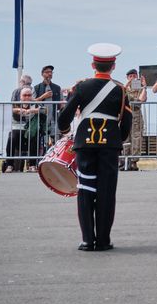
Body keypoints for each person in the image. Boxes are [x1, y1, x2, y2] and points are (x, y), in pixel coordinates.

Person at [57, 43, 132, 252]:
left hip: (84, 144)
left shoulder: (81, 87)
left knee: (86, 189)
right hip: (109, 145)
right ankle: (104, 240)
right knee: (107, 191)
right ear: (113, 66)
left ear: (93, 65)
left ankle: (87, 240)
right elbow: (126, 121)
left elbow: (65, 116)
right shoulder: (120, 89)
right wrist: (120, 138)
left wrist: (65, 130)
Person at [5, 87, 42, 172]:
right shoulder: (16, 103)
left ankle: (32, 165)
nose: (27, 97)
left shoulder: (35, 104)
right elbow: (13, 109)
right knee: (11, 138)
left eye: (29, 95)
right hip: (17, 130)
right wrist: (20, 109)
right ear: (20, 96)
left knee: (35, 136)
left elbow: (44, 110)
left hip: (30, 130)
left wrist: (31, 110)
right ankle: (9, 165)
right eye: (24, 95)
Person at [32, 64, 62, 148]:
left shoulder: (57, 88)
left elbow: (62, 103)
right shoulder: (36, 88)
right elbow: (31, 102)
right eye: (47, 72)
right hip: (41, 119)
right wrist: (43, 97)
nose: (50, 74)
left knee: (56, 143)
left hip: (54, 119)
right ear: (42, 74)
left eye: (51, 72)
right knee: (41, 143)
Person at [122, 69, 146, 170]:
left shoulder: (139, 87)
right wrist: (127, 84)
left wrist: (144, 86)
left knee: (136, 138)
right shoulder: (124, 88)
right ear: (127, 78)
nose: (132, 78)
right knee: (125, 138)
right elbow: (121, 94)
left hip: (136, 114)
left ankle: (133, 162)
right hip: (125, 115)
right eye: (130, 76)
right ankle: (124, 161)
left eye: (134, 76)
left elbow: (142, 100)